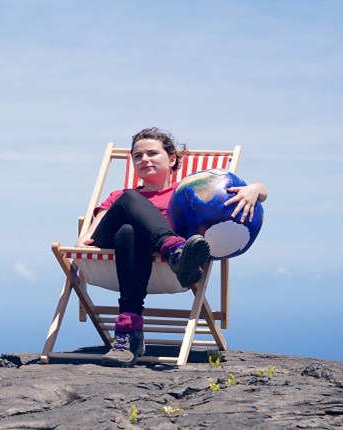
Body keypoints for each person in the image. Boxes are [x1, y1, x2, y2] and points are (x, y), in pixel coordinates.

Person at [75, 127, 268, 367]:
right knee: (128, 201)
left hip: (149, 260)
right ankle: (174, 249)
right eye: (137, 156)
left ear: (172, 158)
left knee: (130, 231)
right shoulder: (120, 196)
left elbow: (258, 191)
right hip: (113, 250)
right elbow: (94, 231)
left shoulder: (186, 195)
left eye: (152, 153)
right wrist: (84, 238)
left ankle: (128, 334)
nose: (144, 159)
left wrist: (254, 189)